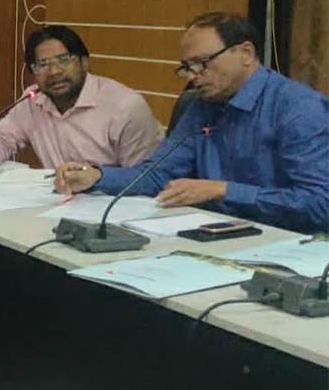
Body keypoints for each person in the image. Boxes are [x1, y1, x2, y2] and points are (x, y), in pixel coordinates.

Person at [55, 12, 329, 234]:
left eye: (202, 62)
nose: (193, 76)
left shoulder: (299, 109)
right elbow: (157, 175)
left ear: (245, 53)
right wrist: (96, 176)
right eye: (187, 66)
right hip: (213, 236)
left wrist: (222, 190)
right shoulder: (202, 105)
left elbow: (320, 204)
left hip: (286, 244)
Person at [0, 25, 163, 170]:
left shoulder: (125, 107)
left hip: (112, 207)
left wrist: (97, 180)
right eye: (42, 64)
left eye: (63, 60)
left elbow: (146, 176)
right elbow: (2, 137)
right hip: (60, 203)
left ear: (84, 62)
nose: (54, 72)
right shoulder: (33, 100)